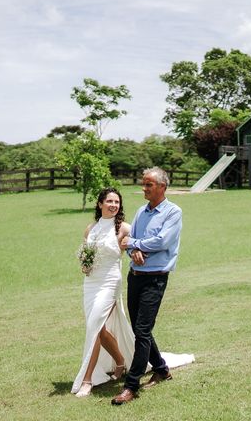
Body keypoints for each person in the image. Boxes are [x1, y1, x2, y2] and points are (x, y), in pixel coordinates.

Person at [111, 167, 183, 405]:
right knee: (141, 329)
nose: (144, 188)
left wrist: (134, 243)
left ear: (162, 187)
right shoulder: (141, 211)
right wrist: (133, 250)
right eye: (143, 184)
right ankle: (162, 369)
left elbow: (163, 241)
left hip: (155, 278)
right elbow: (126, 241)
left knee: (141, 330)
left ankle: (131, 385)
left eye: (149, 184)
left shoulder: (173, 212)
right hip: (135, 276)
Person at [71, 187, 135, 398]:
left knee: (94, 325)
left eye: (117, 202)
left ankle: (88, 380)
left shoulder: (124, 228)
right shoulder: (90, 229)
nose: (113, 205)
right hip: (90, 283)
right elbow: (86, 256)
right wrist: (85, 265)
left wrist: (132, 247)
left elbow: (136, 248)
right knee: (97, 329)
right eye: (109, 201)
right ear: (100, 204)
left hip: (110, 282)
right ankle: (120, 361)